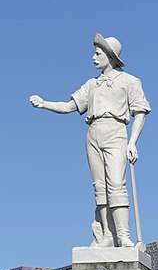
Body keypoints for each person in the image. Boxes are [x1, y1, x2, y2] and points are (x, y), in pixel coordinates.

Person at [30, 33, 151, 248]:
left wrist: (132, 142)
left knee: (116, 185)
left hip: (116, 132)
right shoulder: (91, 85)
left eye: (98, 54)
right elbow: (69, 107)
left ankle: (123, 236)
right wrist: (44, 103)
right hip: (93, 133)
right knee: (100, 187)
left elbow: (140, 112)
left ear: (109, 56)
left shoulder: (129, 81)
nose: (93, 57)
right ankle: (106, 235)